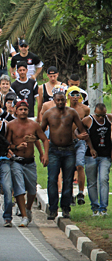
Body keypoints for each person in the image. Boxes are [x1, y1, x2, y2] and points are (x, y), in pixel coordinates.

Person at [41, 91, 89, 219]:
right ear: (54, 100)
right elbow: (40, 131)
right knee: (52, 179)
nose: (61, 102)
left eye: (63, 100)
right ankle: (52, 209)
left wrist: (80, 138)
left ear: (65, 100)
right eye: (58, 100)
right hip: (53, 150)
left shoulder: (72, 113)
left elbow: (81, 129)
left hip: (69, 150)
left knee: (68, 180)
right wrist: (43, 152)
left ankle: (66, 207)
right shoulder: (48, 114)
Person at [6, 101, 48, 227]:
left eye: (25, 109)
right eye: (21, 109)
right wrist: (16, 146)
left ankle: (28, 208)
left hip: (30, 162)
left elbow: (44, 139)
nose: (23, 111)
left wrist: (44, 154)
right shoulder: (11, 126)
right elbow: (7, 144)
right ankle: (24, 216)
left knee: (32, 190)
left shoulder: (34, 125)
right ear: (16, 111)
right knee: (19, 188)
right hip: (16, 161)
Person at [81, 103, 110, 216]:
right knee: (92, 182)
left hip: (105, 155)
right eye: (98, 115)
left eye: (103, 115)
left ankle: (103, 208)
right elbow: (78, 130)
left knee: (104, 179)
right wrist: (81, 138)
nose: (101, 118)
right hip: (91, 155)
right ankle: (95, 208)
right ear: (94, 113)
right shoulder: (88, 120)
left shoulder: (109, 118)